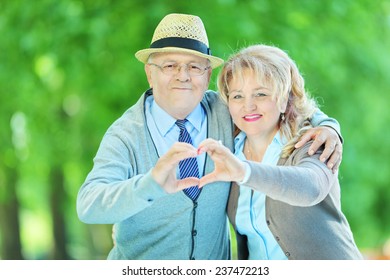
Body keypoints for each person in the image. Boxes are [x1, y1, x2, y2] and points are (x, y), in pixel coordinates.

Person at [76, 13, 343, 260]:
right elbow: (89, 204)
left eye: (194, 67)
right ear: (149, 73)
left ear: (207, 76)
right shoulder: (126, 134)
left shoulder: (227, 111)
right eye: (170, 65)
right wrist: (150, 184)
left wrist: (328, 126)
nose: (183, 76)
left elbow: (277, 100)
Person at [197, 44, 362, 260]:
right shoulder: (230, 149)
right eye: (237, 96)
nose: (248, 105)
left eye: (261, 94)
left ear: (284, 100)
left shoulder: (310, 142)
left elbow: (310, 187)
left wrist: (245, 172)